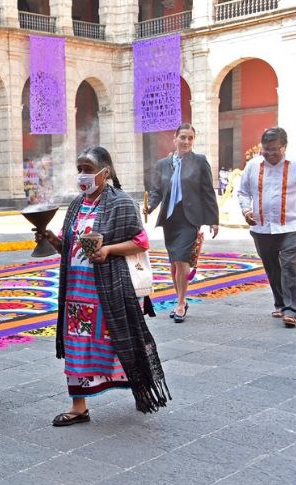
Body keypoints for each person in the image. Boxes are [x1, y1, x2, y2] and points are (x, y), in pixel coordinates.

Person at [35, 146, 170, 426]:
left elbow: (140, 241)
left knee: (122, 340)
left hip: (108, 289)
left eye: (88, 168)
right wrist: (50, 238)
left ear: (105, 172)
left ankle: (141, 387)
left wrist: (108, 250)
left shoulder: (120, 202)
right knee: (76, 346)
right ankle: (79, 406)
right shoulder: (76, 204)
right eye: (79, 169)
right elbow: (68, 246)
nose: (82, 175)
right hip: (76, 293)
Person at [145, 123, 219, 323]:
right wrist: (149, 207)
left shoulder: (200, 162)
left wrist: (213, 220)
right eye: (183, 137)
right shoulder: (162, 164)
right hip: (170, 219)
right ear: (175, 139)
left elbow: (208, 192)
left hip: (190, 219)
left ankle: (180, 302)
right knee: (174, 263)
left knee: (182, 258)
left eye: (190, 138)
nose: (186, 141)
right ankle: (181, 300)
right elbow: (156, 191)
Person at [237, 127, 296, 327]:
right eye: (266, 149)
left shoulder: (295, 166)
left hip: (290, 226)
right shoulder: (253, 166)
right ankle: (281, 303)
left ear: (284, 147)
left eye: (275, 149)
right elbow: (243, 192)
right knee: (272, 267)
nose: (270, 154)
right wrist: (246, 211)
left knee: (290, 265)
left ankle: (292, 310)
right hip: (261, 228)